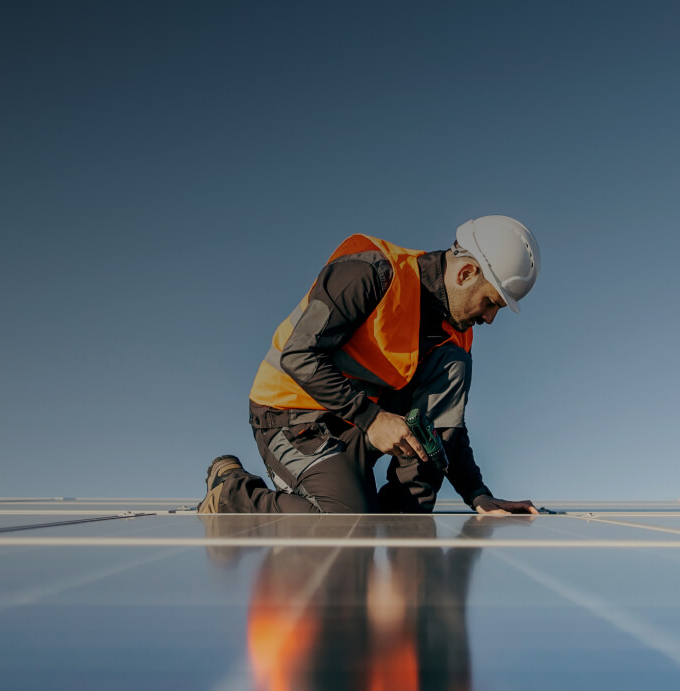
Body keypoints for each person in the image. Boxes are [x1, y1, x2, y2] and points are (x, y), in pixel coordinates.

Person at [200, 216, 542, 515]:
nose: (490, 318)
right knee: (343, 521)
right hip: (289, 414)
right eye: (490, 303)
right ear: (467, 273)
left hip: (357, 419)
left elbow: (447, 425)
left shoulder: (456, 332)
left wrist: (477, 494)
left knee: (452, 367)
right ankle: (231, 491)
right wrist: (372, 418)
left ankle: (398, 511)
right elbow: (299, 356)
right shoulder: (370, 273)